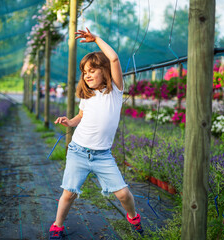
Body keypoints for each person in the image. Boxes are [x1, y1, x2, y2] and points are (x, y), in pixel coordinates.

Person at [49, 28, 143, 240]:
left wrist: (96, 39)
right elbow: (80, 117)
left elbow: (114, 58)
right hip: (78, 151)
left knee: (123, 193)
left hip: (102, 155)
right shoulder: (87, 96)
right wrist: (69, 121)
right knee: (69, 193)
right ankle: (57, 225)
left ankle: (133, 216)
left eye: (93, 70)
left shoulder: (115, 91)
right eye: (84, 72)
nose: (87, 74)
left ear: (105, 71)